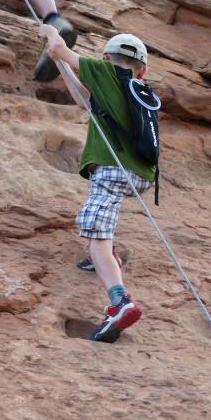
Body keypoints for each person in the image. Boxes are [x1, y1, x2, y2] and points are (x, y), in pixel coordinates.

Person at [36, 26, 156, 342]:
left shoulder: (105, 70)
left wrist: (51, 34)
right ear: (142, 70)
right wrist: (60, 63)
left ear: (105, 59)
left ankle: (120, 301)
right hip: (141, 175)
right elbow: (85, 100)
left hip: (113, 170)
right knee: (103, 212)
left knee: (94, 229)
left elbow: (65, 51)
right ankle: (105, 254)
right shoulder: (137, 90)